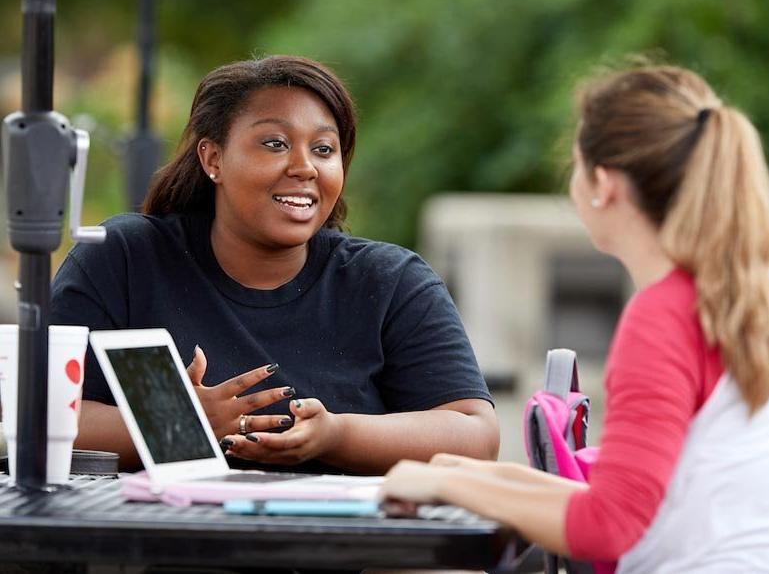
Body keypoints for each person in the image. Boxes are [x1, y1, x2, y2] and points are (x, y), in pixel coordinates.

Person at [382, 65, 769, 571]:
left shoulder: (666, 315)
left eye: (575, 164)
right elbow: (638, 493)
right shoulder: (762, 294)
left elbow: (607, 525)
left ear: (603, 184)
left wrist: (446, 484)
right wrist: (476, 478)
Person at [51, 55, 498, 475]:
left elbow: (475, 434)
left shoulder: (390, 282)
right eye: (275, 143)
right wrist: (178, 422)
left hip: (349, 548)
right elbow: (36, 412)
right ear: (213, 159)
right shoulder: (125, 259)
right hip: (154, 542)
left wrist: (338, 434)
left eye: (324, 149)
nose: (305, 167)